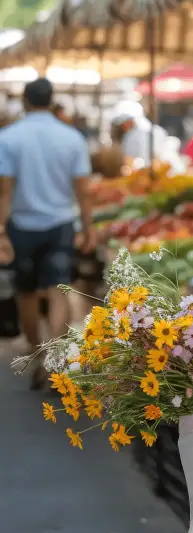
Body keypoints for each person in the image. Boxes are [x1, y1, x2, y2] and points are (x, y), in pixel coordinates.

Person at [0, 78, 95, 385]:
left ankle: (35, 352)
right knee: (58, 289)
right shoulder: (71, 137)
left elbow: (4, 190)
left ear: (26, 101)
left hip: (22, 225)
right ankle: (54, 357)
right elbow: (83, 190)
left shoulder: (9, 137)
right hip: (60, 224)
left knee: (26, 292)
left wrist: (0, 229)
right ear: (52, 100)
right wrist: (89, 228)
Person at [110, 101, 174, 167]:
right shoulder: (158, 131)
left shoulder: (131, 137)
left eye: (123, 124)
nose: (123, 127)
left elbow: (129, 161)